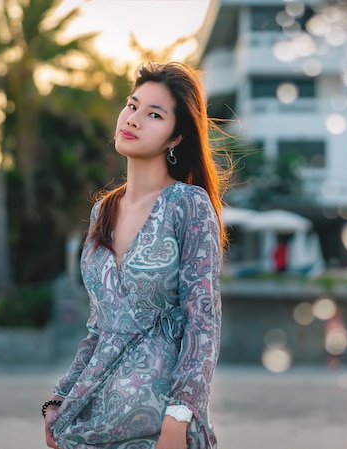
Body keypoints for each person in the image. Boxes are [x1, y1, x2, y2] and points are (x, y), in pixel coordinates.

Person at [43, 61, 228, 449]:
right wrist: (60, 397)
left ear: (176, 138)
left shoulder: (188, 205)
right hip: (92, 422)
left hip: (161, 427)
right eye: (132, 105)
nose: (134, 119)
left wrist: (179, 417)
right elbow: (99, 327)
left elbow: (203, 322)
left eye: (154, 114)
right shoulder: (102, 212)